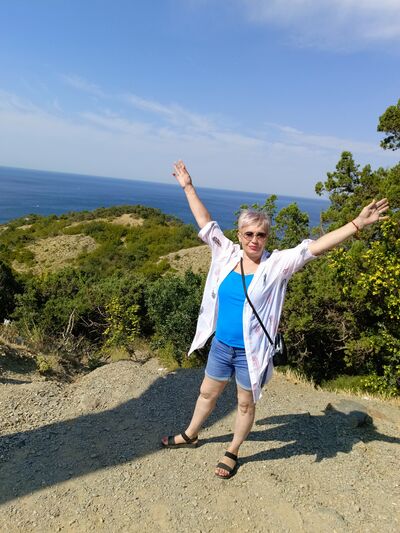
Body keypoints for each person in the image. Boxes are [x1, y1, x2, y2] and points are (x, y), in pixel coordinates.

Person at [161, 160, 389, 479]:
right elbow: (205, 222)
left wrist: (357, 224)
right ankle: (191, 434)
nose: (254, 239)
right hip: (221, 346)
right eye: (249, 234)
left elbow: (315, 248)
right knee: (207, 394)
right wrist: (188, 186)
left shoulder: (277, 264)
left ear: (267, 237)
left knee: (245, 404)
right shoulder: (226, 254)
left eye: (261, 234)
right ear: (240, 235)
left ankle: (232, 451)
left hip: (251, 353)